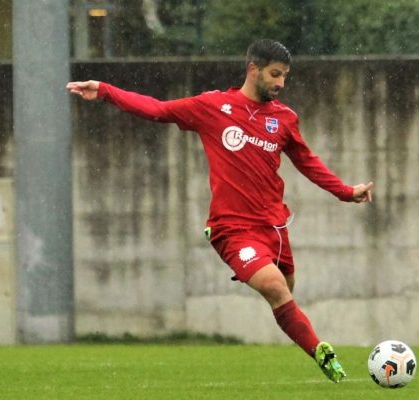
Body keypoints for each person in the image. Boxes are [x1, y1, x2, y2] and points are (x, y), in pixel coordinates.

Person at [67, 39, 373, 383]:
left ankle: (302, 333)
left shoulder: (284, 119)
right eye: (275, 74)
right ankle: (322, 352)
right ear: (252, 69)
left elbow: (307, 162)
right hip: (232, 228)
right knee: (274, 286)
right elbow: (157, 109)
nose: (281, 84)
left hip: (274, 227)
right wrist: (106, 90)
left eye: (285, 76)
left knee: (285, 289)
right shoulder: (213, 106)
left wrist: (347, 192)